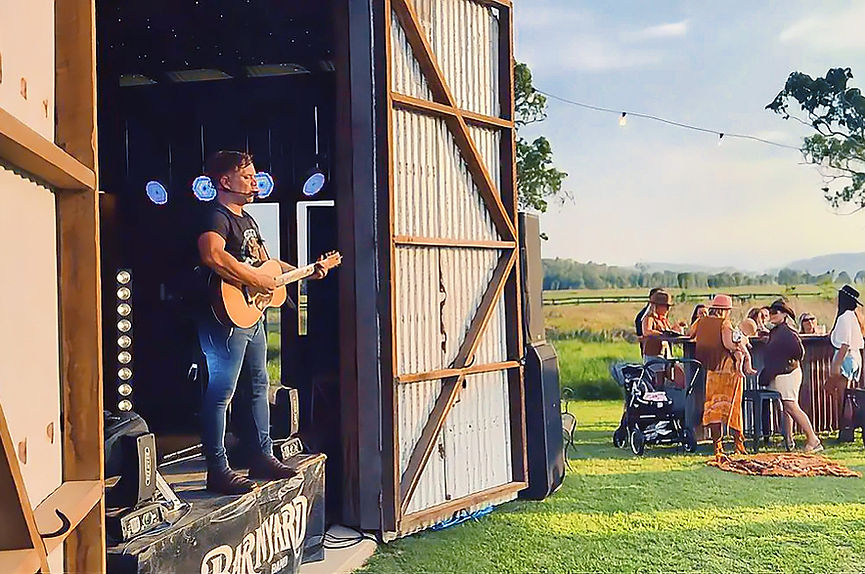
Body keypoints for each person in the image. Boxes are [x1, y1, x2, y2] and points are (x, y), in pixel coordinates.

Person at [196, 150, 329, 494]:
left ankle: (262, 455)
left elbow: (266, 266)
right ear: (225, 181)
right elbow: (212, 254)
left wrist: (305, 272)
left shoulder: (249, 221)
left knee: (258, 386)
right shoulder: (216, 215)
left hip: (251, 316)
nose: (255, 182)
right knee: (221, 391)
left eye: (255, 176)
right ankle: (218, 468)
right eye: (247, 176)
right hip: (224, 318)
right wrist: (253, 280)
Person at [759, 299, 821, 452]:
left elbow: (799, 352)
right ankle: (789, 441)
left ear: (785, 314)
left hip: (787, 373)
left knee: (791, 406)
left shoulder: (786, 331)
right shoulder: (779, 331)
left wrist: (786, 359)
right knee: (787, 408)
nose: (772, 315)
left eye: (775, 312)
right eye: (771, 312)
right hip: (783, 372)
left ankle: (813, 439)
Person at [691, 294, 746, 457]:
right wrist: (740, 344)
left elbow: (689, 335)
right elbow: (728, 344)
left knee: (714, 408)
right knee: (733, 407)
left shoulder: (701, 321)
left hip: (711, 369)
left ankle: (717, 446)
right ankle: (738, 444)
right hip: (727, 369)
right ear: (726, 310)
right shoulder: (725, 324)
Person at [827, 285, 864, 438]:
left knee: (843, 397)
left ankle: (845, 430)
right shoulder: (853, 316)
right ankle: (849, 429)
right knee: (850, 395)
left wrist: (835, 366)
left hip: (845, 357)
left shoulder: (844, 317)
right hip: (855, 357)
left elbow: (844, 344)